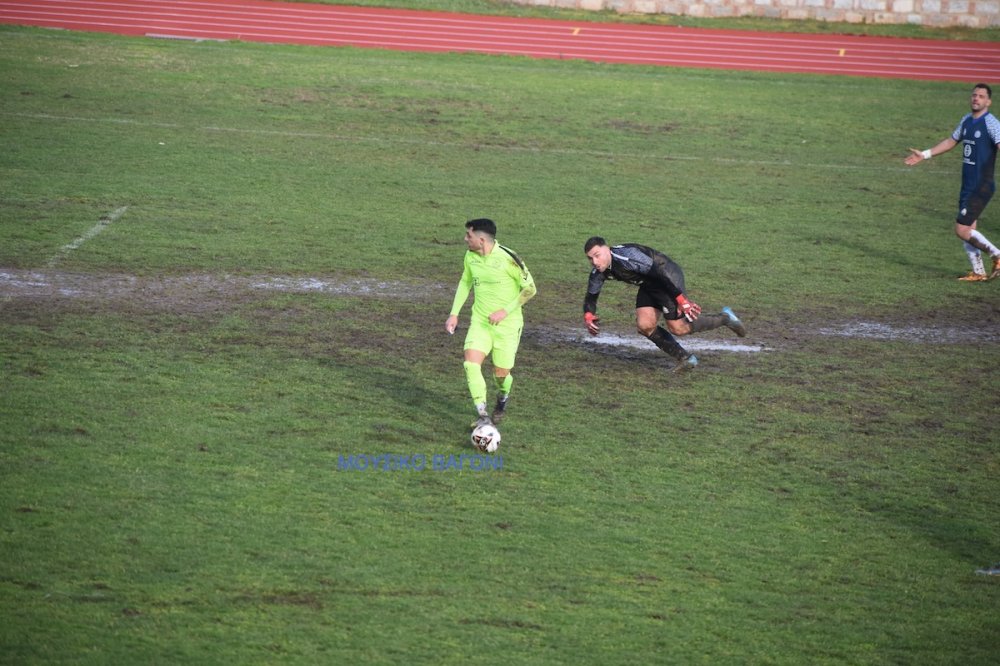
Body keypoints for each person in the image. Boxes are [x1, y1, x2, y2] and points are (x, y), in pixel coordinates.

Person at [582, 237, 745, 372]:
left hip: (667, 277)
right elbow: (591, 297)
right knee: (645, 325)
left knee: (679, 328)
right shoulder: (599, 272)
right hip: (649, 284)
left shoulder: (627, 256)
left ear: (607, 249)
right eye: (590, 258)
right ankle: (686, 359)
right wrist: (589, 315)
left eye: (597, 255)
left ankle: (725, 318)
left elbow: (658, 273)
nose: (594, 261)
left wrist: (681, 300)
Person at [446, 218, 536, 427]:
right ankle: (483, 415)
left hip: (508, 326)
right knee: (470, 364)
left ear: (481, 239)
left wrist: (504, 311)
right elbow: (465, 282)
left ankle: (502, 398)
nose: (465, 239)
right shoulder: (470, 256)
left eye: (468, 235)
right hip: (480, 322)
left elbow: (530, 289)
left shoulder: (508, 258)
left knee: (501, 376)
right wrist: (454, 313)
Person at [905, 82, 1000, 281]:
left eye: (981, 96)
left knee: (961, 229)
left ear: (988, 102)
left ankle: (997, 255)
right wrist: (925, 154)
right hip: (968, 185)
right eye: (974, 95)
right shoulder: (967, 120)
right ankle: (978, 271)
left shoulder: (992, 124)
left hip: (981, 185)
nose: (976, 98)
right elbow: (951, 141)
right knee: (969, 228)